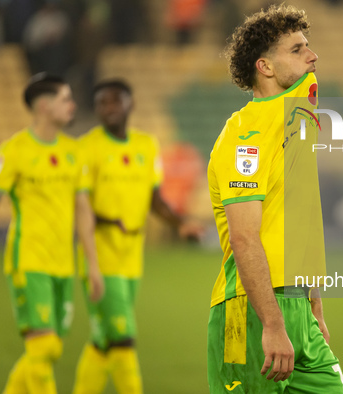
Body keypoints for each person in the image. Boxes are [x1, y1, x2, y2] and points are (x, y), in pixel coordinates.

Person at [207, 5, 343, 393]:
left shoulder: (298, 120)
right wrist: (272, 323)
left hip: (298, 306)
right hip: (249, 311)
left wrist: (313, 305)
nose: (312, 55)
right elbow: (245, 237)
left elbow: (299, 218)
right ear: (265, 67)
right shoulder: (244, 136)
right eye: (297, 49)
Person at [72, 79, 197, 394]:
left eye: (116, 101)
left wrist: (179, 223)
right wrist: (110, 221)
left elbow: (155, 199)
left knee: (104, 341)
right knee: (124, 338)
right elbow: (78, 205)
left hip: (132, 259)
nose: (109, 108)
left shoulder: (146, 145)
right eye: (103, 103)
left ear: (131, 105)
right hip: (100, 258)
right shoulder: (87, 148)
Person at [0, 73, 104, 394]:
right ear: (43, 106)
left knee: (49, 349)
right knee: (42, 349)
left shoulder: (74, 151)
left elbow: (83, 212)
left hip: (63, 264)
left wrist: (92, 265)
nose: (73, 106)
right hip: (28, 260)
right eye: (65, 99)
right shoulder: (14, 150)